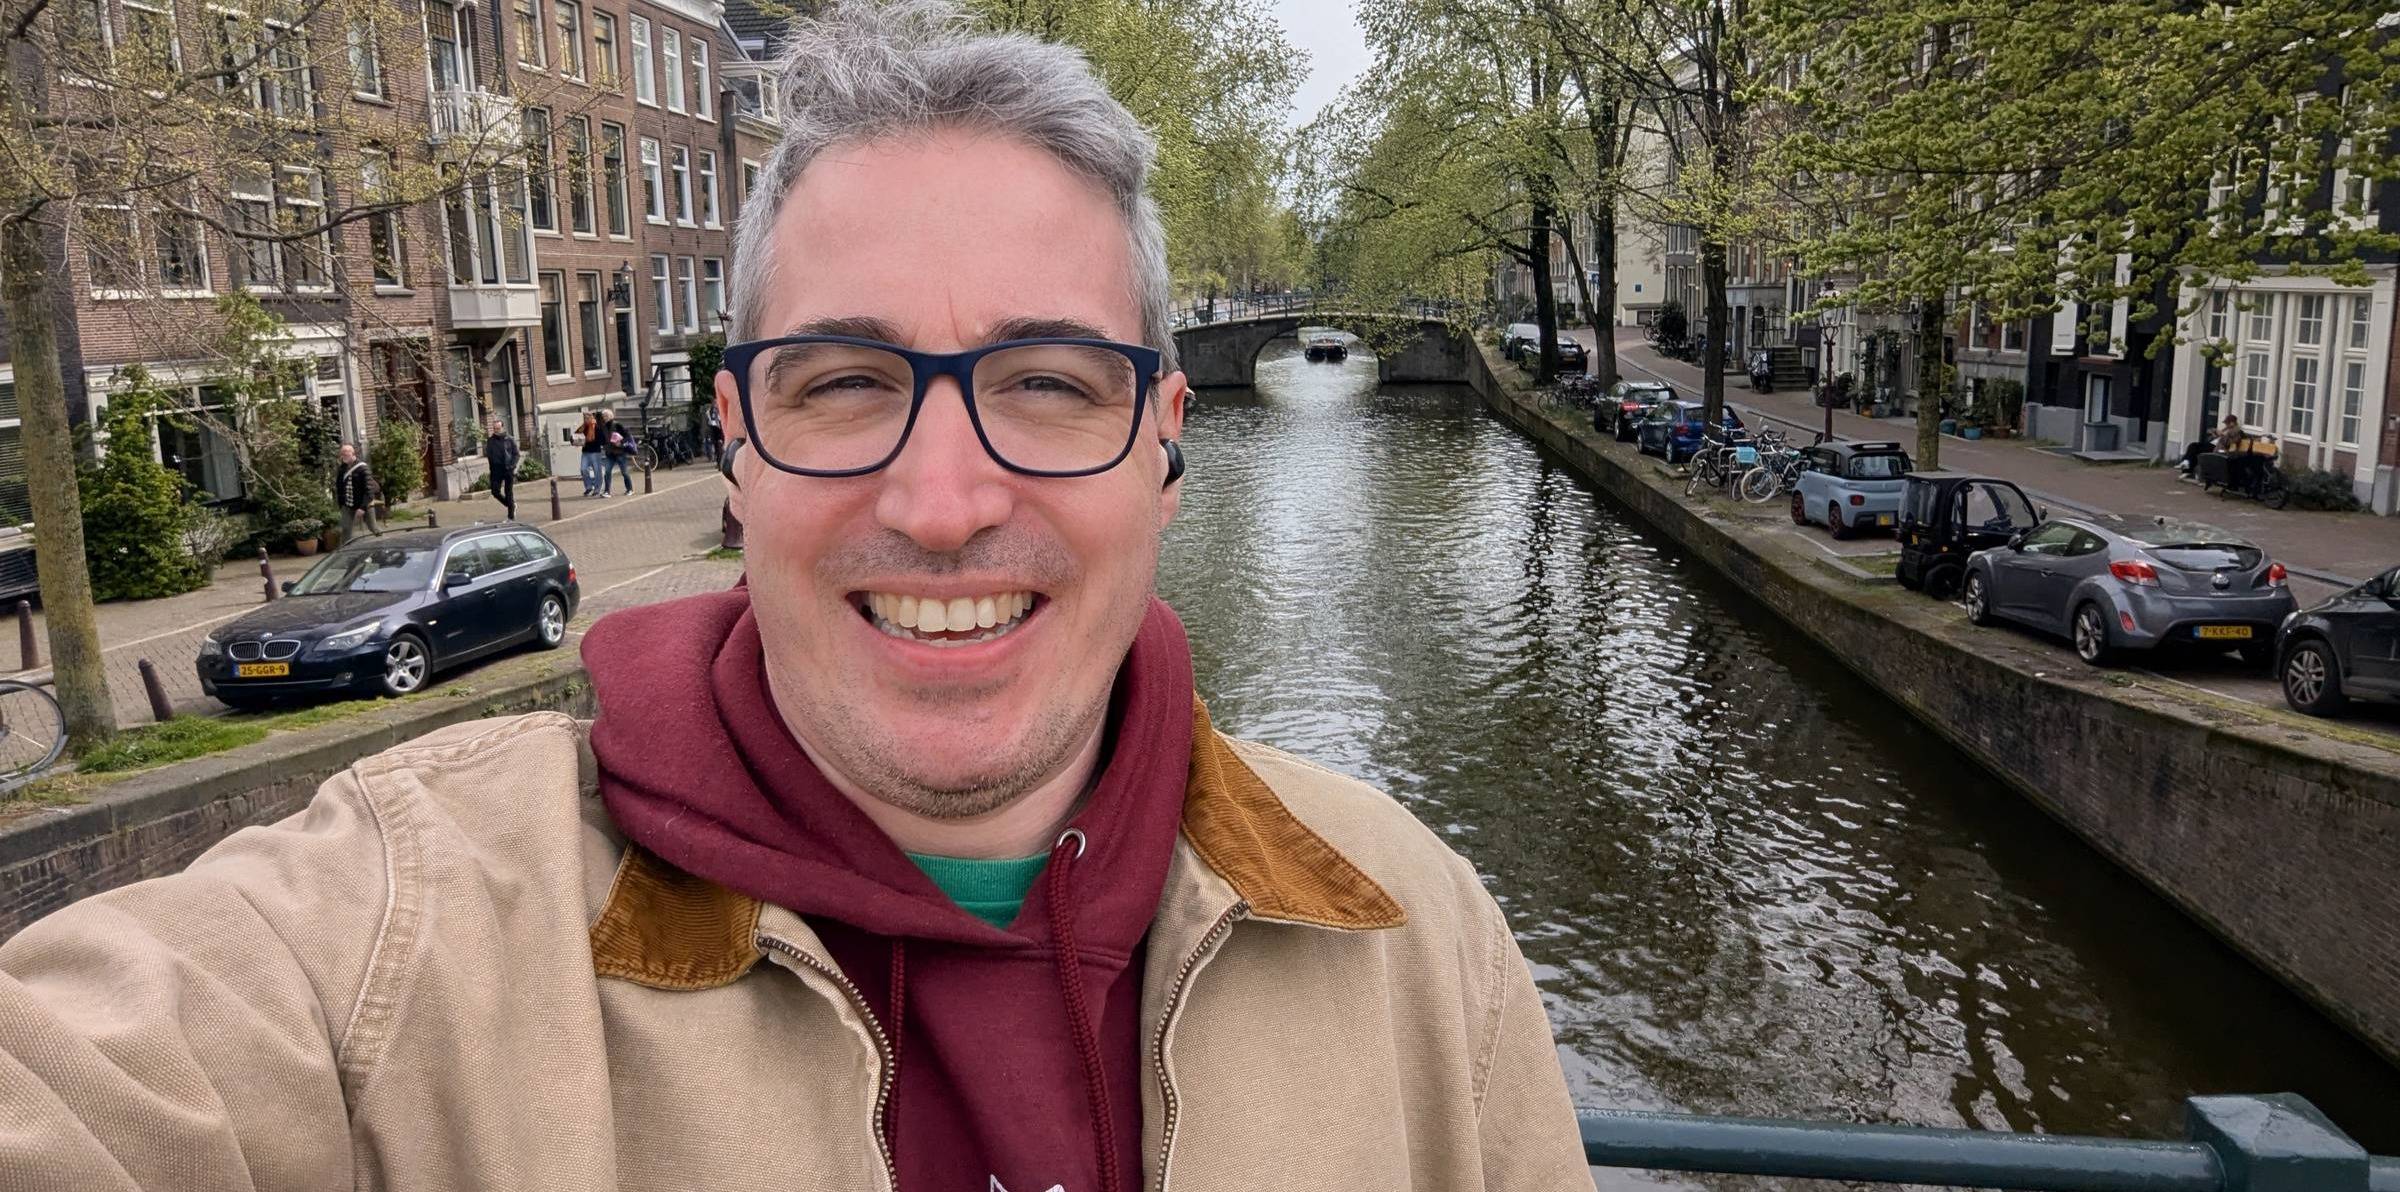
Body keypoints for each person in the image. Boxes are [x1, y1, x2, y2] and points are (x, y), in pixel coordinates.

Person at [0, 5, 1588, 1190]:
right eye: (844, 383)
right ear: (738, 446)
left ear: (1165, 445)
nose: (946, 501)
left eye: (1046, 380)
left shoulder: (1419, 940)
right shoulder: (400, 942)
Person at [333, 441, 377, 540]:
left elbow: (369, 491)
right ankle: (344, 552)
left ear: (353, 453)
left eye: (346, 452)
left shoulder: (363, 468)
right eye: (342, 453)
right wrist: (341, 504)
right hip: (347, 506)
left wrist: (362, 508)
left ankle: (385, 544)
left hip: (365, 504)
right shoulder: (342, 469)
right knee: (346, 530)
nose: (344, 454)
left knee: (373, 528)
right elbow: (339, 487)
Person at [2178, 413, 2243, 476]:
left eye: (2227, 423)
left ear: (2232, 423)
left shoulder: (2236, 431)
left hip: (2217, 448)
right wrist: (2214, 434)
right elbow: (2213, 439)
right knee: (2193, 446)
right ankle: (2186, 464)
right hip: (2212, 444)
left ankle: (2187, 465)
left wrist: (2222, 435)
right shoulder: (2226, 429)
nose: (2226, 425)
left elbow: (2231, 442)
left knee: (2195, 448)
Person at [484, 418, 521, 520]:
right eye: (494, 429)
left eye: (498, 428)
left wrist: (512, 466)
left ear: (502, 428)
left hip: (507, 468)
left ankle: (511, 515)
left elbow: (516, 454)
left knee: (508, 492)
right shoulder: (490, 441)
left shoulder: (509, 439)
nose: (496, 430)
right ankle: (511, 505)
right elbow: (489, 455)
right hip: (496, 470)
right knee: (495, 492)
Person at [598, 408, 633, 495]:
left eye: (606, 416)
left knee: (624, 472)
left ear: (610, 416)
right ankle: (607, 491)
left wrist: (621, 443)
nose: (604, 418)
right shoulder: (603, 427)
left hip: (620, 453)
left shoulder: (617, 425)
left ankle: (630, 489)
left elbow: (627, 436)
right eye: (603, 416)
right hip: (610, 453)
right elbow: (603, 440)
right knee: (607, 472)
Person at [577, 410, 604, 496]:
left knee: (597, 471)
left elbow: (601, 440)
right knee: (583, 469)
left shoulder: (597, 427)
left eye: (588, 418)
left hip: (595, 452)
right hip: (585, 452)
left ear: (592, 418)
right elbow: (576, 435)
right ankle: (589, 487)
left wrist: (590, 441)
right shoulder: (583, 427)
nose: (586, 419)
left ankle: (597, 488)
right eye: (585, 418)